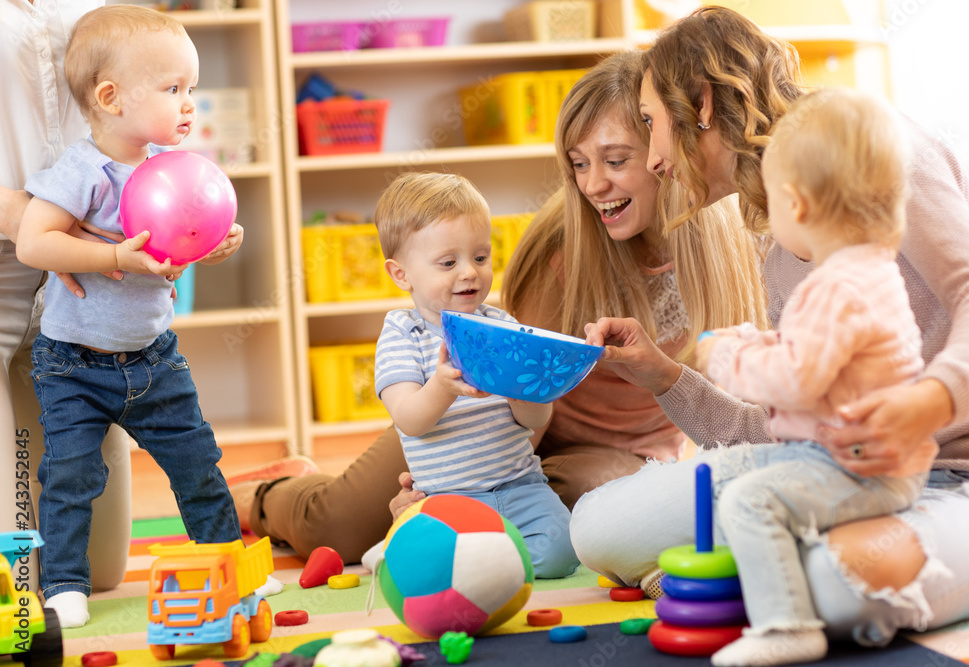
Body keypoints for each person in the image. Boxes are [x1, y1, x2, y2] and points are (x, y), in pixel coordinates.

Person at [228, 50, 767, 566]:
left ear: (664, 153)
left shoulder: (733, 250)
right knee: (338, 526)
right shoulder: (559, 247)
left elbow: (731, 410)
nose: (594, 184)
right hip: (485, 422)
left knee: (580, 506)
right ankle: (266, 492)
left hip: (608, 453)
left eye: (617, 160)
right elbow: (503, 376)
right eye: (579, 163)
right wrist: (446, 484)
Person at [573, 5, 969, 653]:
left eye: (652, 124)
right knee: (602, 528)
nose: (655, 159)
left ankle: (805, 564)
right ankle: (783, 558)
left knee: (834, 586)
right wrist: (668, 378)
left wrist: (930, 401)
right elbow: (778, 428)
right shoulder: (781, 256)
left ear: (703, 105)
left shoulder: (877, 155)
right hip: (832, 472)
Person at [14, 4, 257, 628]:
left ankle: (229, 563)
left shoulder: (169, 170)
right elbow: (33, 244)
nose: (187, 105)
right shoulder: (81, 170)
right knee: (69, 474)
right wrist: (112, 254)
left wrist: (214, 241)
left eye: (191, 90)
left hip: (153, 358)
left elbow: (181, 238)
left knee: (198, 462)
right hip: (73, 363)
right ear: (111, 97)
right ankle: (64, 584)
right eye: (174, 89)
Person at [690, 88, 937, 666]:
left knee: (749, 500)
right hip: (843, 456)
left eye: (771, 200)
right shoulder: (863, 272)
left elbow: (797, 379)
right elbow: (814, 353)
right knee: (721, 475)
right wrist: (748, 340)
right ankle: (752, 587)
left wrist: (725, 359)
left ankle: (786, 626)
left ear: (796, 205)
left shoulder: (836, 286)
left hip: (856, 469)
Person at [365, 171, 578, 578]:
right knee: (428, 565)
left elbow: (534, 420)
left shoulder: (501, 326)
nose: (469, 272)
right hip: (447, 499)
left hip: (520, 487)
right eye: (449, 262)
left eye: (480, 257)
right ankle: (464, 563)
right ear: (401, 275)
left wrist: (528, 392)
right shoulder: (401, 334)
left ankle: (485, 570)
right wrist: (443, 386)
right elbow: (409, 419)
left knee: (562, 552)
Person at [0, 0, 133, 601]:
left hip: (79, 283)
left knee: (98, 572)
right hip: (15, 257)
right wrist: (31, 218)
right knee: (16, 586)